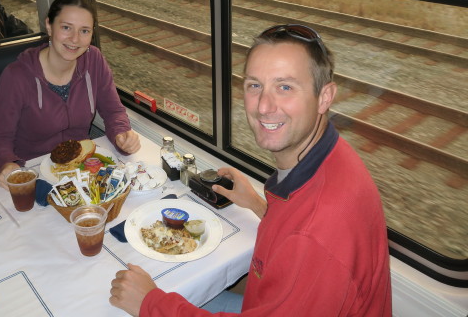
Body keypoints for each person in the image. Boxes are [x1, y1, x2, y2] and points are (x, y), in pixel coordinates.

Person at [110, 24, 392, 316]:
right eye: (254, 85)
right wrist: (259, 205)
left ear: (325, 97)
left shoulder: (320, 231)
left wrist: (149, 304)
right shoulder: (327, 157)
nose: (264, 106)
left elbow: (308, 237)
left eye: (285, 87)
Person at [0, 0, 141, 188]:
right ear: (49, 26)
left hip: (81, 167)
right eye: (66, 27)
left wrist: (122, 134)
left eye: (84, 31)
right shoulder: (17, 76)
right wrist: (7, 163)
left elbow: (113, 111)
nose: (75, 39)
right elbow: (0, 137)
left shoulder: (94, 60)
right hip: (33, 171)